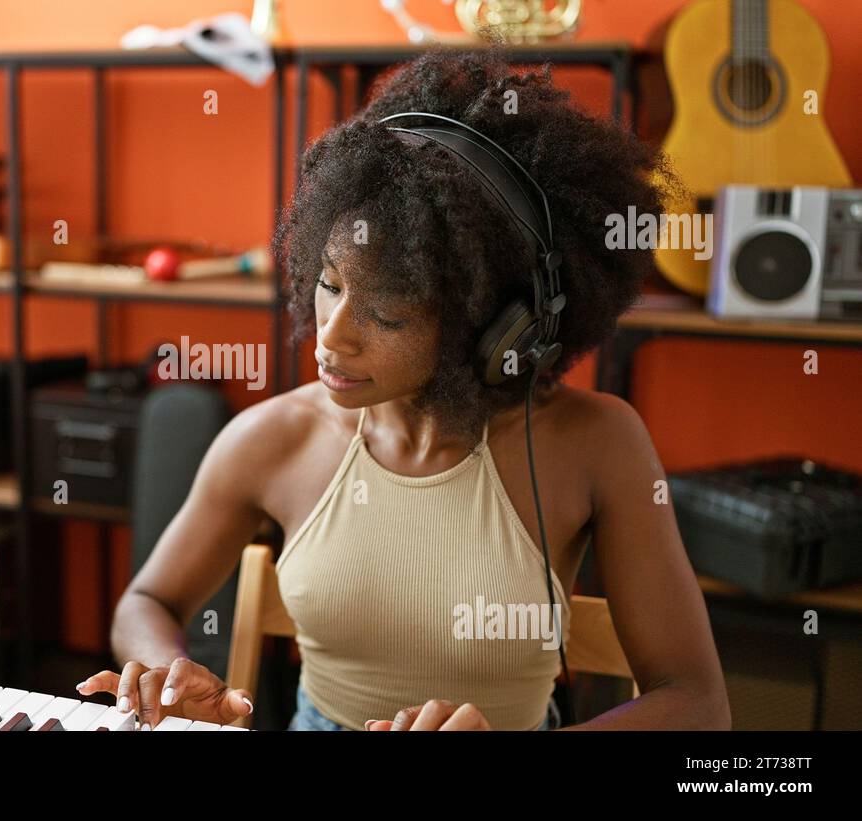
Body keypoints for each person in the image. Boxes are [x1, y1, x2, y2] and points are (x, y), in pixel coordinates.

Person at [77, 49, 731, 731]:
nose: (331, 336)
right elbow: (145, 600)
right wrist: (165, 669)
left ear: (496, 326)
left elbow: (696, 702)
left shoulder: (598, 444)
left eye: (386, 315)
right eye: (329, 284)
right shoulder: (273, 438)